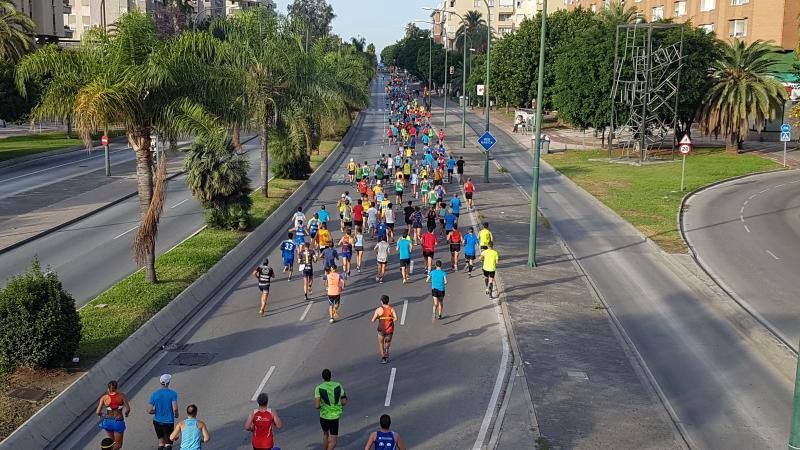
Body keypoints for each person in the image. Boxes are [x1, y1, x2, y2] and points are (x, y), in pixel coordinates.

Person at [315, 369, 347, 450]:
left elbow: (317, 406)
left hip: (324, 416)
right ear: (330, 376)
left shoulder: (318, 388)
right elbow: (344, 402)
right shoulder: (338, 385)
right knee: (334, 441)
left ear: (322, 377)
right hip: (335, 416)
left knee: (325, 434)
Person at [96, 380, 131, 450]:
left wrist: (103, 415)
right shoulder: (122, 396)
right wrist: (126, 414)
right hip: (118, 421)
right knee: (118, 445)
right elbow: (128, 409)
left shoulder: (104, 398)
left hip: (107, 422)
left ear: (108, 388)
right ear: (116, 387)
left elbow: (97, 412)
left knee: (111, 443)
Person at [148, 374, 178, 450]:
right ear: (168, 382)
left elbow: (149, 410)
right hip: (168, 422)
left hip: (157, 422)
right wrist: (176, 415)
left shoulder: (155, 394)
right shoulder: (173, 394)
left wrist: (157, 411)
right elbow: (175, 408)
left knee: (161, 442)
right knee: (168, 443)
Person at [371, 295, 398, 364]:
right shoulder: (391, 309)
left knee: (381, 343)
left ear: (381, 301)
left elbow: (373, 320)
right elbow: (396, 318)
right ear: (388, 301)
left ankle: (383, 358)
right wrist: (390, 319)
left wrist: (378, 318)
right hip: (389, 329)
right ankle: (387, 350)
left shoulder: (378, 310)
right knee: (387, 343)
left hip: (381, 329)